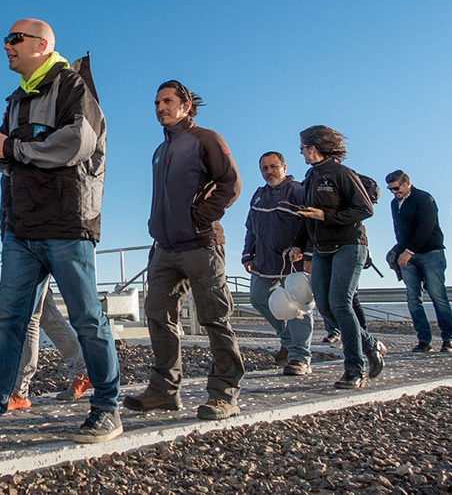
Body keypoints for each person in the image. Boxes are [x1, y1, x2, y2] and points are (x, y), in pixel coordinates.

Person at [0, 18, 121, 446]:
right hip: (20, 228)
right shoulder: (16, 101)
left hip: (67, 225)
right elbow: (19, 155)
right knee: (9, 322)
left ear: (42, 44)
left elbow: (79, 142)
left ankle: (108, 407)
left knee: (87, 319)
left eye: (14, 39)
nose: (6, 46)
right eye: (5, 40)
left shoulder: (72, 87)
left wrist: (10, 148)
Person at [124, 80, 244, 421]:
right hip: (164, 248)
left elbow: (230, 184)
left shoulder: (205, 139)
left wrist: (199, 218)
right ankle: (164, 392)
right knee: (157, 315)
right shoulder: (160, 150)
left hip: (201, 245)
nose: (161, 107)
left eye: (167, 101)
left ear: (186, 106)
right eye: (157, 102)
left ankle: (224, 394)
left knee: (214, 319)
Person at [291, 125, 386, 390]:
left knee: (341, 303)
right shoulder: (310, 176)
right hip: (322, 247)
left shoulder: (342, 173)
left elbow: (364, 209)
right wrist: (297, 245)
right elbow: (307, 214)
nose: (300, 152)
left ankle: (355, 370)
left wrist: (327, 216)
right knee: (324, 305)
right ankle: (371, 343)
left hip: (349, 244)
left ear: (313, 147)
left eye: (302, 147)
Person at [241, 151, 314, 376]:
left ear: (283, 167)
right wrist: (247, 254)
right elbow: (250, 228)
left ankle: (300, 357)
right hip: (263, 261)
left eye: (273, 166)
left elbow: (311, 224)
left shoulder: (298, 191)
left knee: (297, 308)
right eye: (264, 168)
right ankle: (287, 339)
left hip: (291, 261)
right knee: (257, 298)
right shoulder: (258, 195)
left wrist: (306, 251)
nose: (269, 171)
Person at [386, 170, 452, 353]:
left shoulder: (424, 198)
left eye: (397, 188)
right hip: (407, 256)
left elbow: (426, 227)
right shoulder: (394, 203)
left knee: (438, 296)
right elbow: (399, 231)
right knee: (413, 298)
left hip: (430, 253)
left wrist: (409, 251)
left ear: (407, 183)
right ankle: (424, 341)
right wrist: (398, 251)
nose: (394, 192)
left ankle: (449, 339)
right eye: (390, 189)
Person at [8, 278, 92, 410]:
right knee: (48, 316)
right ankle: (83, 371)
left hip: (34, 257)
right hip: (38, 257)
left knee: (29, 314)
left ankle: (19, 390)